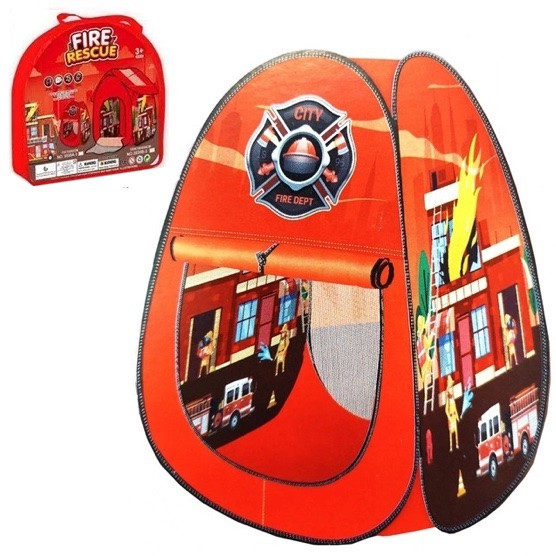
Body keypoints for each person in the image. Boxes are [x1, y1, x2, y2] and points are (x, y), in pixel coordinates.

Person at [445, 375, 460, 452]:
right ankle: (451, 446)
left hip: (454, 417)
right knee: (451, 433)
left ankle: (457, 444)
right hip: (451, 418)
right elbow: (446, 410)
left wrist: (457, 417)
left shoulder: (453, 400)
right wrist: (449, 418)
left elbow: (455, 409)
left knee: (456, 432)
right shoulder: (448, 401)